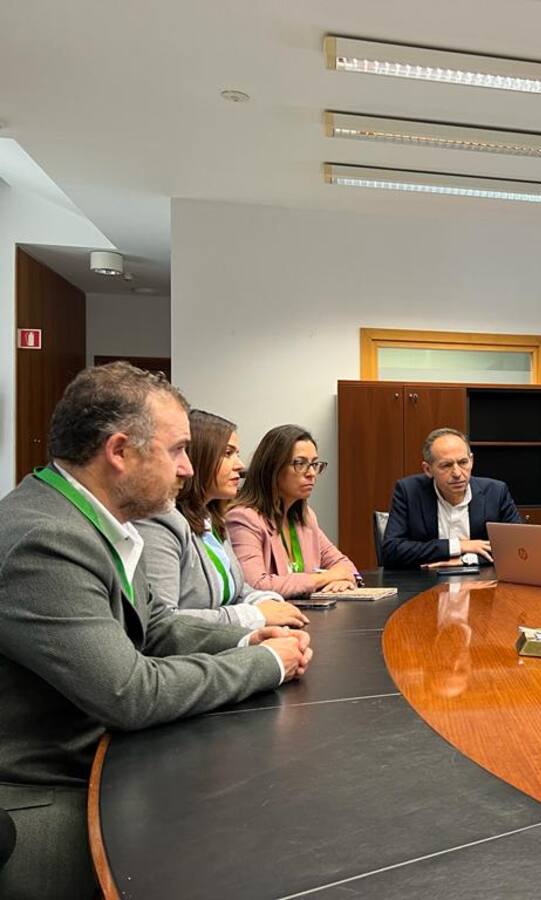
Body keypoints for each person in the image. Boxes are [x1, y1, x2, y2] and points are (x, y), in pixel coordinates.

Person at [0, 363, 311, 899]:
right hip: (49, 790)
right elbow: (130, 693)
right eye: (178, 450)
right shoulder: (45, 540)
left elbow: (157, 627)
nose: (188, 468)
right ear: (120, 451)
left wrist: (244, 640)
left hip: (105, 759)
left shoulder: (97, 520)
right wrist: (265, 664)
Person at [137, 410, 309, 628]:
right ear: (199, 458)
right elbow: (163, 622)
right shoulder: (159, 522)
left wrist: (268, 602)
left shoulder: (212, 518)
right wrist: (253, 615)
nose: (240, 465)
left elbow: (239, 590)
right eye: (228, 453)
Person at [228, 425, 359, 597]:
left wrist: (342, 581)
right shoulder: (244, 518)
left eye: (314, 464)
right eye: (300, 463)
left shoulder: (305, 517)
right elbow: (255, 585)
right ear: (272, 468)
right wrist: (323, 578)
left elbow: (344, 565)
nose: (311, 473)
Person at [380, 427, 521, 568]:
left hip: (482, 579)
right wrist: (458, 546)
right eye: (446, 465)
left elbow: (518, 547)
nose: (457, 473)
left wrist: (467, 560)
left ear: (471, 460)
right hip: (427, 578)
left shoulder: (496, 492)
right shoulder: (409, 492)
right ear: (428, 469)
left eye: (463, 462)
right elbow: (391, 551)